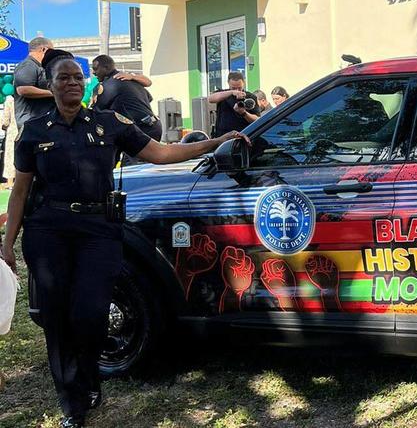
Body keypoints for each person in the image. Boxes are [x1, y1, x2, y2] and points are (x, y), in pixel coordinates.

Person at [0, 50, 247, 427]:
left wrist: (214, 142)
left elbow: (161, 153)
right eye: (63, 78)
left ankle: (89, 377)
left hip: (97, 229)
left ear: (86, 85)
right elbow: (19, 192)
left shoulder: (108, 123)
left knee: (92, 314)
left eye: (77, 78)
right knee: (56, 317)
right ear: (50, 86)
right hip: (48, 231)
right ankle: (73, 403)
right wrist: (7, 244)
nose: (71, 83)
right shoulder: (35, 133)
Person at [90, 55, 161, 145]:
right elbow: (148, 95)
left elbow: (97, 113)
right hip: (155, 126)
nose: (93, 72)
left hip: (141, 131)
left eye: (96, 69)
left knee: (131, 158)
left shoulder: (107, 86)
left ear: (106, 68)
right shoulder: (130, 80)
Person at [13, 36, 53, 128]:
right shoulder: (28, 65)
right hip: (32, 123)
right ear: (43, 49)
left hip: (42, 121)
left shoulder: (39, 66)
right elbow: (23, 89)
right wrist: (53, 93)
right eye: (51, 51)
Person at [207, 71, 258, 136]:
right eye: (234, 88)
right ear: (228, 83)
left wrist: (244, 113)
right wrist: (231, 92)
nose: (237, 90)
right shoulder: (223, 94)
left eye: (239, 88)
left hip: (243, 136)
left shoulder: (250, 97)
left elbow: (257, 120)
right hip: (223, 136)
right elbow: (211, 99)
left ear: (243, 83)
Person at [1, 95, 17, 186]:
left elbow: (6, 120)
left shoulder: (10, 100)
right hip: (26, 128)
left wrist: (4, 126)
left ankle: (10, 182)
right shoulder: (27, 97)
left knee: (10, 156)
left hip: (13, 130)